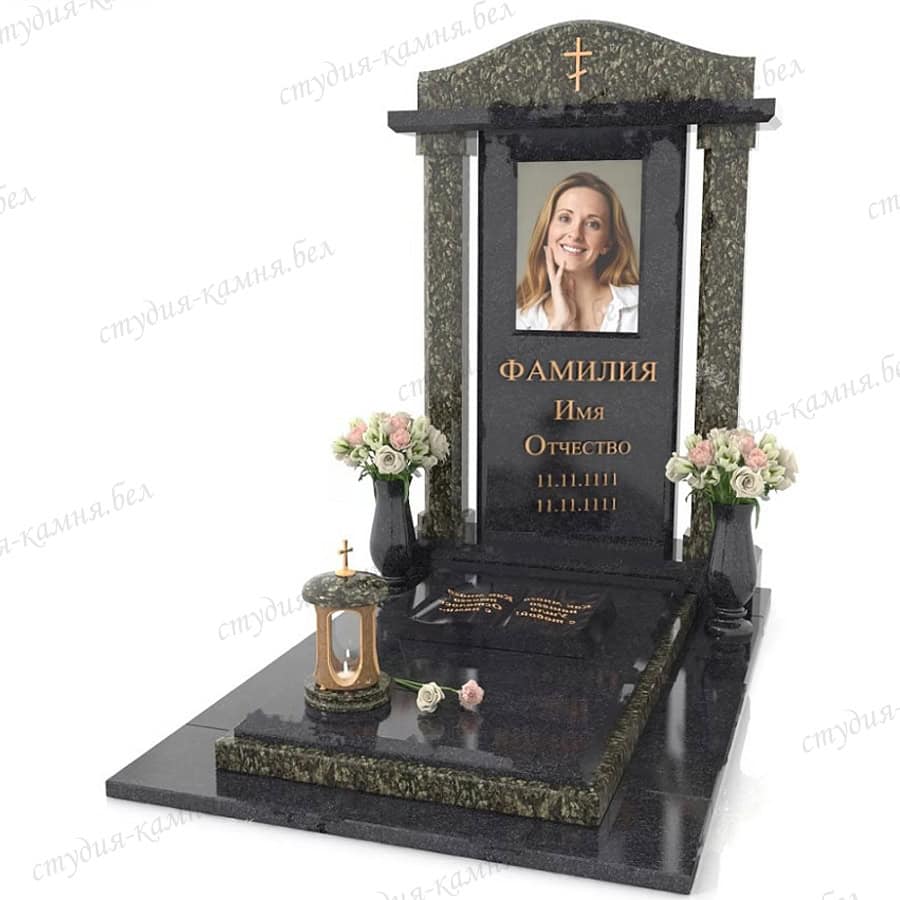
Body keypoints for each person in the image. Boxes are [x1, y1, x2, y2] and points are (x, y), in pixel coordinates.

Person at [516, 172, 640, 332]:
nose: (575, 234)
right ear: (547, 229)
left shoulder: (639, 307)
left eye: (592, 224)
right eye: (565, 218)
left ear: (607, 243)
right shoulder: (522, 321)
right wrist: (559, 324)